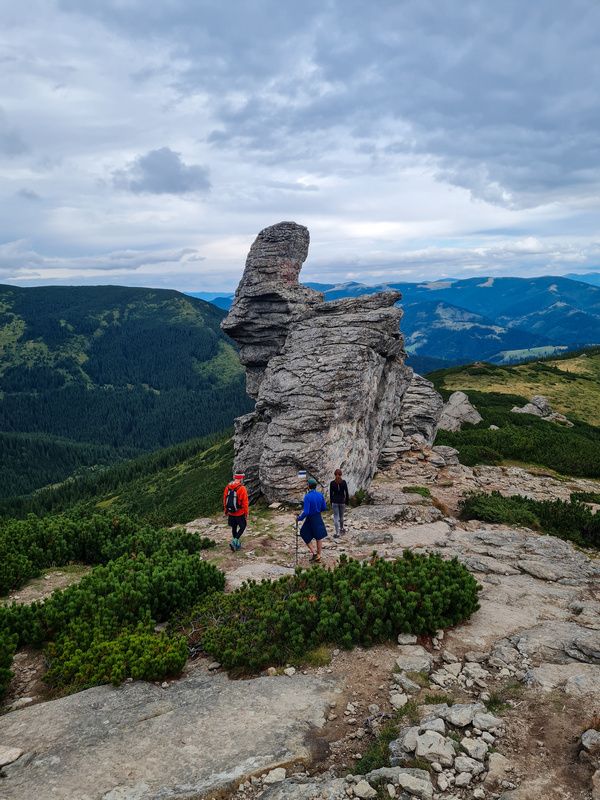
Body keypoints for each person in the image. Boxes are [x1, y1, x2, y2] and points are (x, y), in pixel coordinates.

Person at [297, 477, 328, 563]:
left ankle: (314, 553)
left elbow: (306, 512)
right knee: (318, 537)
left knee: (303, 533)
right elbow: (324, 507)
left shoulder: (307, 497)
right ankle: (319, 555)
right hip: (318, 517)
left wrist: (299, 518)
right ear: (315, 486)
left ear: (308, 486)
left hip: (310, 518)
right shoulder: (320, 495)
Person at [223, 473, 249, 552]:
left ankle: (236, 544)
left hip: (231, 512)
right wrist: (246, 513)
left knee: (234, 527)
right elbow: (245, 503)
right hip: (239, 512)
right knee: (243, 526)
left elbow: (224, 499)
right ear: (241, 479)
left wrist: (226, 511)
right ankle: (235, 541)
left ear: (235, 477)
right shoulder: (242, 488)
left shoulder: (228, 487)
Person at [329, 468, 349, 537]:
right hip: (342, 501)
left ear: (334, 475)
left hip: (335, 501)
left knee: (336, 517)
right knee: (341, 516)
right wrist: (347, 501)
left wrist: (331, 502)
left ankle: (337, 533)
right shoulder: (344, 482)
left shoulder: (332, 483)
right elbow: (346, 492)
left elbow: (331, 494)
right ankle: (342, 528)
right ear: (341, 474)